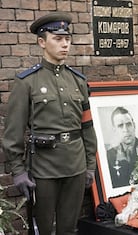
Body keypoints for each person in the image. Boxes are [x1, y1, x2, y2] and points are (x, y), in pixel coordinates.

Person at [2, 12, 97, 235]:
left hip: (75, 164)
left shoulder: (78, 81)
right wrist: (18, 171)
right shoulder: (27, 82)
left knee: (68, 228)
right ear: (42, 42)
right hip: (43, 168)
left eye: (67, 39)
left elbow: (87, 126)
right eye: (57, 39)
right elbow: (13, 132)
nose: (65, 44)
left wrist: (90, 164)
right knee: (42, 229)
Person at [106, 106, 138, 188]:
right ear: (114, 130)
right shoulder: (109, 156)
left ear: (134, 125)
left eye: (128, 124)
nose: (126, 130)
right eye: (120, 126)